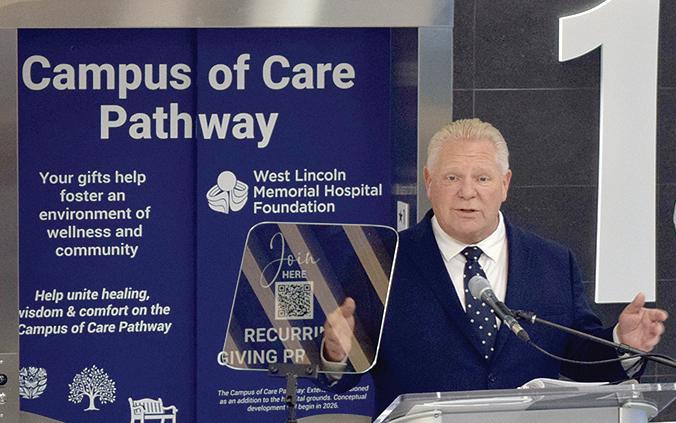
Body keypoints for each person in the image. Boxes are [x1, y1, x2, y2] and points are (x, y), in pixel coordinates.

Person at [320, 118, 668, 417]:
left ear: (505, 184)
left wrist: (622, 343)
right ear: (429, 182)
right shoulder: (381, 260)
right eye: (452, 177)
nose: (467, 192)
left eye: (483, 178)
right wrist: (338, 353)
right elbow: (344, 376)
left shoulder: (551, 262)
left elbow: (581, 360)